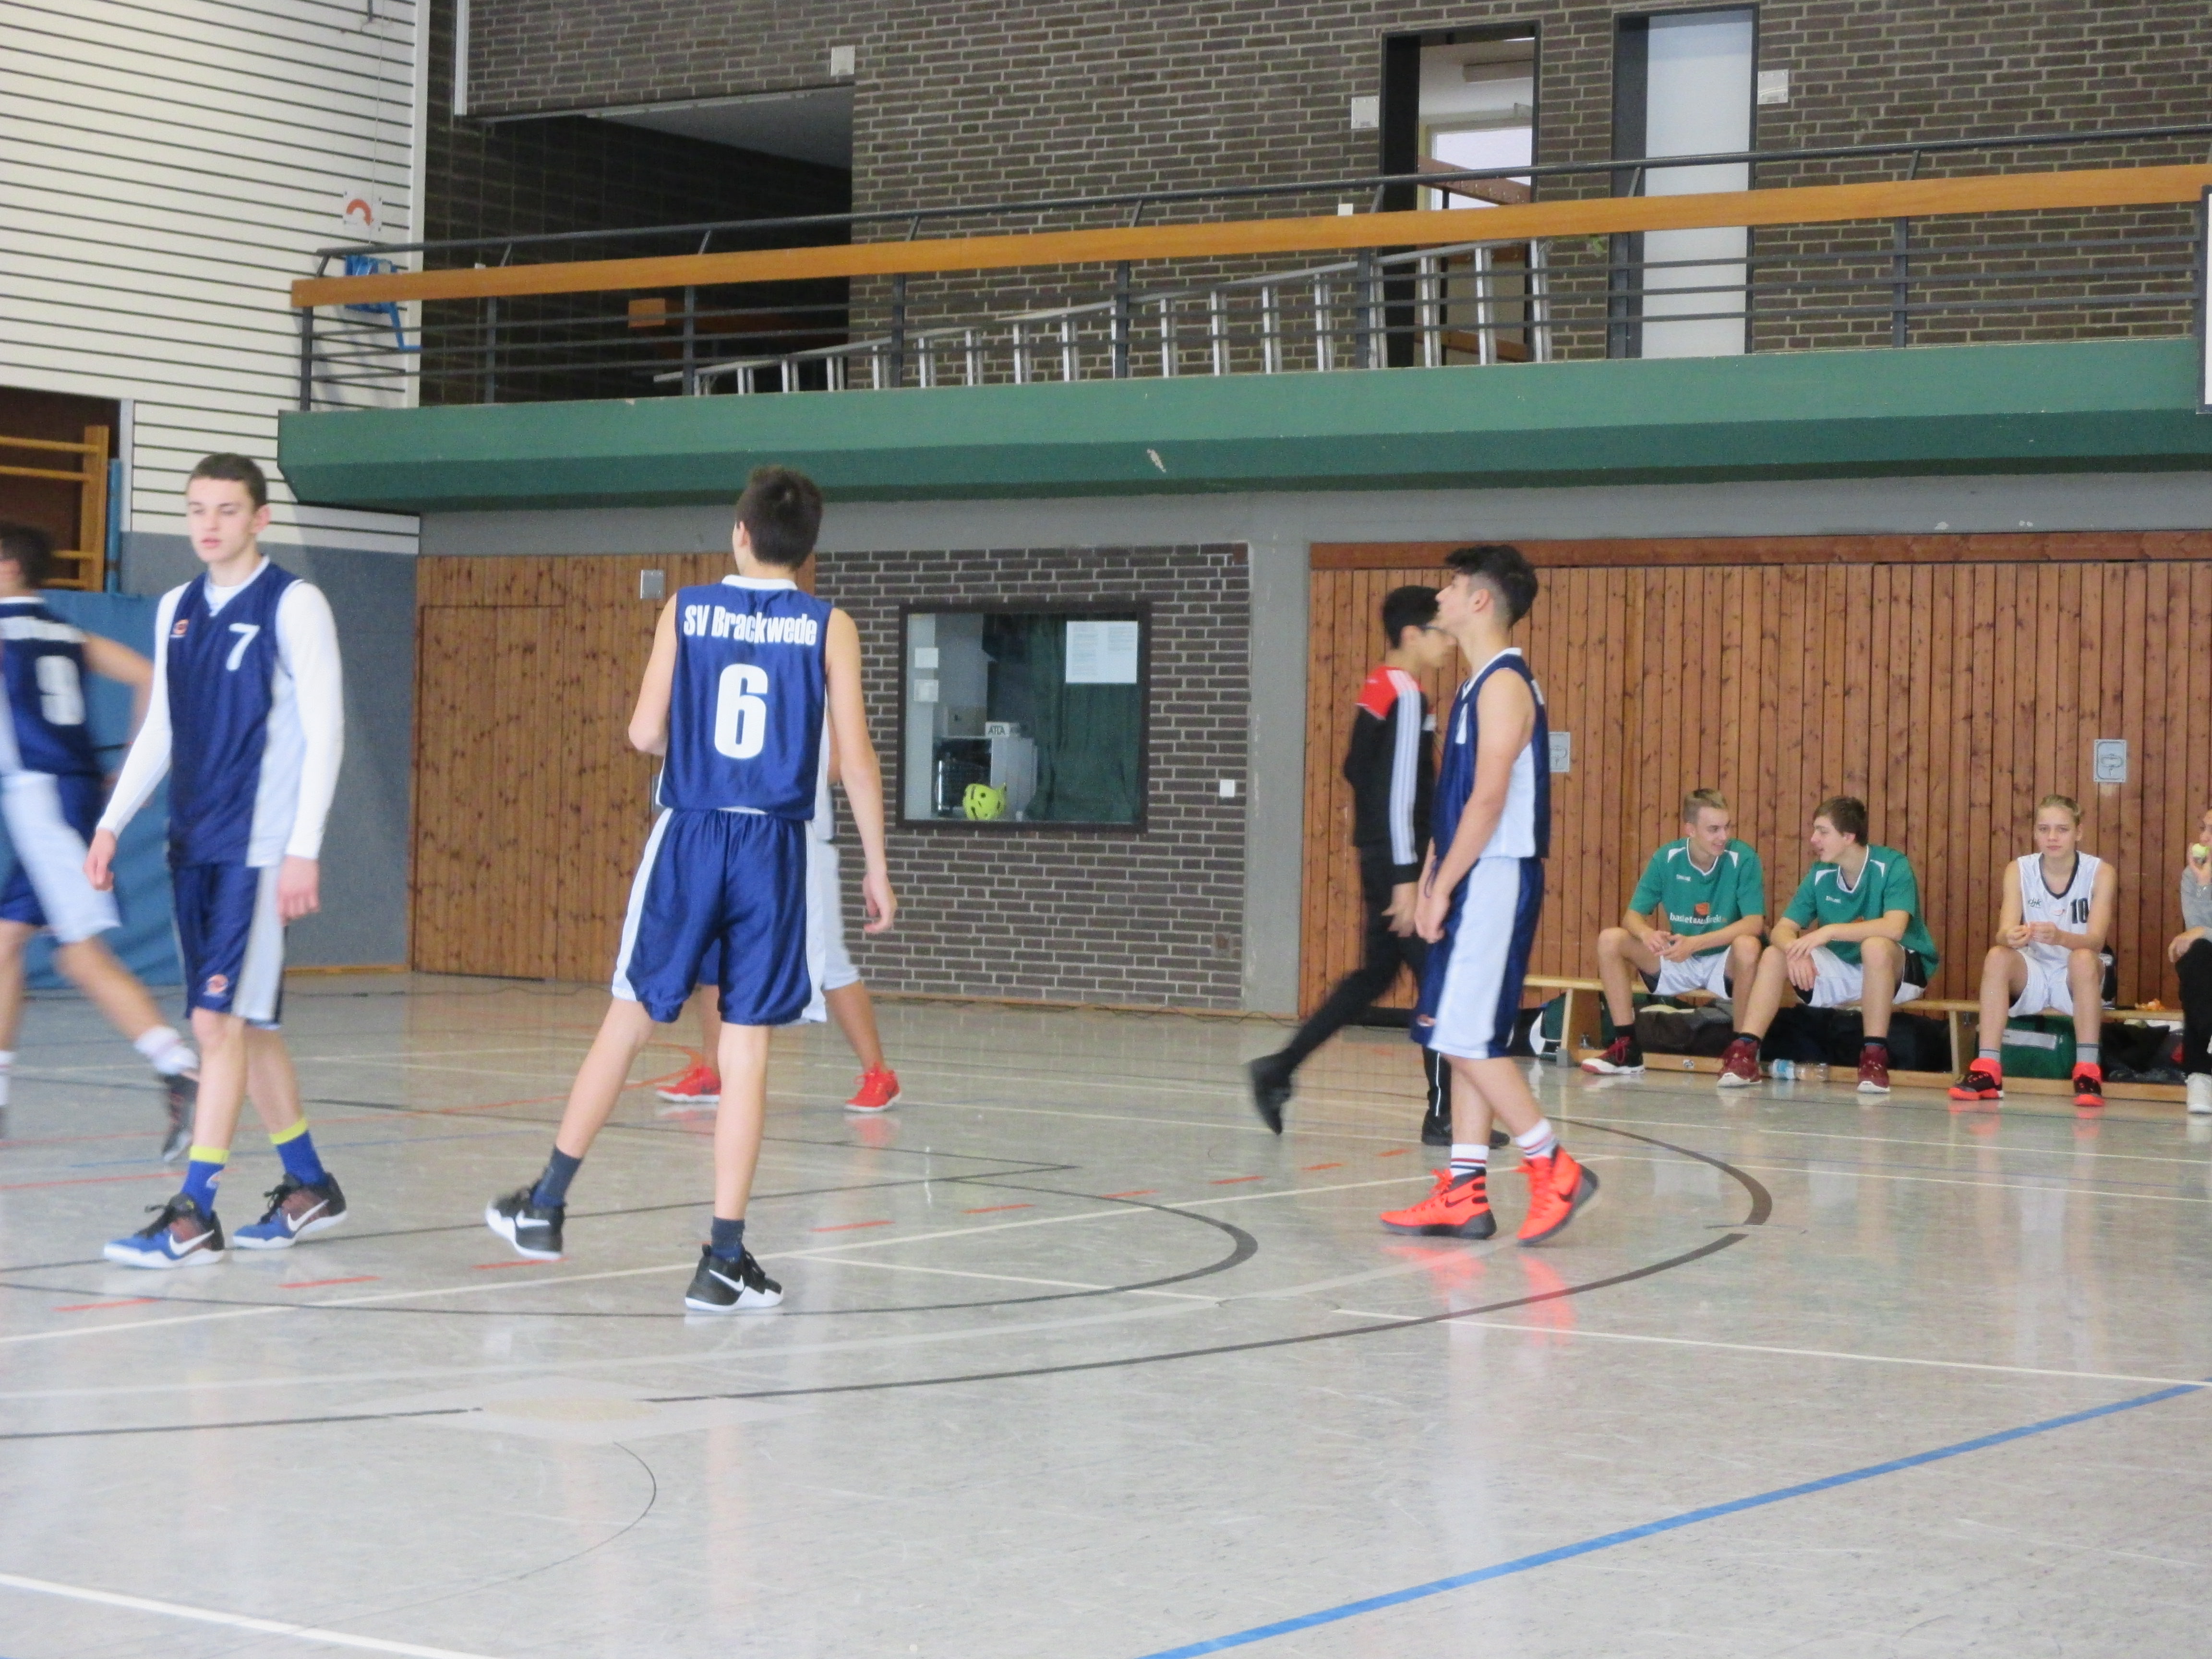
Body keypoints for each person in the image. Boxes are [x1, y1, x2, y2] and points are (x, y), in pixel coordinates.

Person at [484, 466, 895, 1312]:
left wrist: (699, 738)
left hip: (692, 836)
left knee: (628, 1021)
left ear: (738, 533)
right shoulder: (830, 627)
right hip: (774, 848)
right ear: (808, 550)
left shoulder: (686, 608)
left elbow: (643, 733)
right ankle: (723, 1258)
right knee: (746, 1052)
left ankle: (546, 1203)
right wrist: (877, 865)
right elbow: (855, 759)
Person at [87, 455, 347, 1265]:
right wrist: (110, 823)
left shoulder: (293, 604)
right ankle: (309, 1183)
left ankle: (195, 1212)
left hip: (257, 852)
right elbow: (161, 727)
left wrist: (303, 848)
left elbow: (326, 731)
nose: (210, 523)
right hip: (191, 845)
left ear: (259, 519)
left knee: (215, 1024)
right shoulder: (177, 608)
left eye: (227, 509)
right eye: (198, 508)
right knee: (248, 1025)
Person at [1376, 545, 1597, 1244]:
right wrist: (1433, 873)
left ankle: (1552, 1163)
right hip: (1473, 869)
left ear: (1479, 601)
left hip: (1496, 874)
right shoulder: (1477, 684)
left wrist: (1441, 885)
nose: (1439, 596)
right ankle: (1465, 1191)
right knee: (1462, 1031)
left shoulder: (1504, 684)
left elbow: (1490, 800)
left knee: (1461, 1032)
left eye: (1451, 586)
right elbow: (1458, 799)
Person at [0, 523, 199, 1157]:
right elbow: (149, 676)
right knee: (8, 943)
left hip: (43, 800)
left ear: (9, 568)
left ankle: (180, 1069)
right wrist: (132, 761)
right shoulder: (66, 632)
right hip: (71, 794)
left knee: (79, 956)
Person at [1249, 585, 1467, 1144]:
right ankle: (1443, 1115)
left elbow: (1354, 769)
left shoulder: (1378, 688)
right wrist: (1405, 877)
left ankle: (1278, 1068)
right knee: (1441, 979)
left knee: (1375, 975)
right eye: (1442, 632)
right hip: (1401, 862)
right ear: (1413, 635)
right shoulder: (1406, 695)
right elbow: (1398, 792)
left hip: (1382, 854)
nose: (1451, 642)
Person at [658, 735, 899, 1115]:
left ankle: (879, 1074)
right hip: (737, 837)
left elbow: (841, 762)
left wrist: (770, 760)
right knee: (717, 956)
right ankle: (713, 1071)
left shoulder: (820, 700)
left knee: (829, 964)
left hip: (799, 839)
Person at [1716, 796, 1938, 1095]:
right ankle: (1745, 1053)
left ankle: (1874, 1059)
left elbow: (1894, 928)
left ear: (1848, 837)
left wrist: (1829, 931)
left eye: (1823, 832)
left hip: (1899, 973)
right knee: (1774, 954)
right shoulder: (1821, 873)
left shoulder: (1892, 865)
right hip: (1844, 970)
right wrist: (1794, 952)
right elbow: (1783, 929)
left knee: (1875, 946)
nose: (1813, 839)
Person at [1949, 795, 2116, 1110]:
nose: (2052, 837)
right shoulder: (2019, 869)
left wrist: (2061, 937)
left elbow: (2096, 942)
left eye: (2062, 829)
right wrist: (2011, 936)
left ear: (2079, 833)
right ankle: (1988, 1068)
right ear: (2035, 833)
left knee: (2082, 958)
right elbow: (2003, 932)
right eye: (2044, 829)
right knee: (1997, 956)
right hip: (2036, 968)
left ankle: (2087, 1071)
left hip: (2078, 973)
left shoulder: (2100, 872)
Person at [1583, 788, 1766, 1076]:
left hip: (1722, 961)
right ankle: (1627, 1049)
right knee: (1611, 939)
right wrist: (1646, 934)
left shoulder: (1743, 858)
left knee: (1748, 945)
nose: (1723, 836)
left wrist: (1696, 943)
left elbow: (1755, 923)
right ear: (1690, 830)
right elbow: (1632, 917)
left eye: (1727, 827)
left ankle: (1740, 1054)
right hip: (1678, 955)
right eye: (1714, 829)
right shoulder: (1667, 858)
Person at [2167, 806, 2212, 1116]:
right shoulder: (2191, 876)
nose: (2205, 838)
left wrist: (2203, 932)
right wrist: (2204, 883)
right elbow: (2195, 932)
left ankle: (2200, 1072)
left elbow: (2201, 930)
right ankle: (2199, 1078)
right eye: (2204, 828)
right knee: (2196, 957)